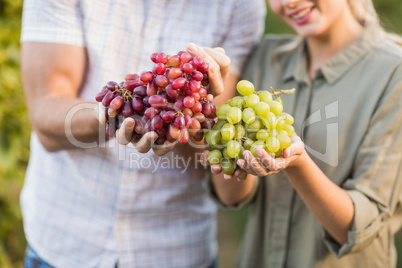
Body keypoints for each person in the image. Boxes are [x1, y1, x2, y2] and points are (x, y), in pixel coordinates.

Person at [19, 0, 266, 267]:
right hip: (66, 242)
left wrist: (185, 116)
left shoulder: (240, 6)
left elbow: (204, 159)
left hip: (175, 251)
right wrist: (118, 114)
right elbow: (46, 118)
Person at [203, 0, 402, 267]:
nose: (289, 3)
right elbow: (231, 197)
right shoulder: (266, 56)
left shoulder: (394, 75)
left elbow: (359, 229)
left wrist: (297, 164)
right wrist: (207, 118)